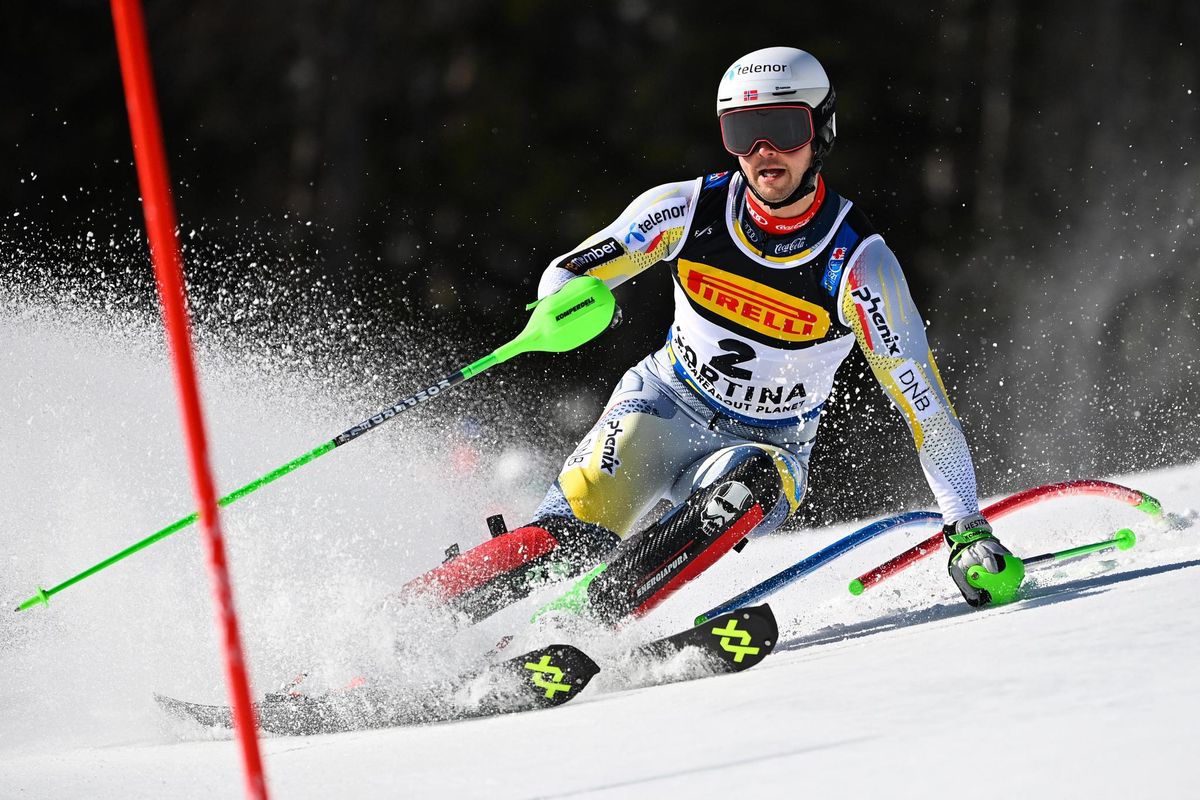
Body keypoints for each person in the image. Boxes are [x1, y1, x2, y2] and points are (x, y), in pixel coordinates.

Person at [400, 46, 1023, 624]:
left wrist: (966, 527)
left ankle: (588, 624)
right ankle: (400, 625)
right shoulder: (687, 209)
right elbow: (570, 269)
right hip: (662, 405)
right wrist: (566, 305)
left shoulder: (858, 263)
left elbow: (925, 408)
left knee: (739, 490)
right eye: (741, 132)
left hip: (771, 443)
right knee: (563, 538)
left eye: (783, 128)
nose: (763, 151)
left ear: (821, 130)